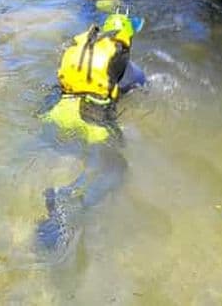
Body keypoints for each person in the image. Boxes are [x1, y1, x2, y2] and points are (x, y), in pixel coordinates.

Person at [37, 13, 146, 252]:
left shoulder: (82, 51)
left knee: (65, 152)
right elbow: (137, 86)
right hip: (92, 121)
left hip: (56, 112)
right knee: (117, 168)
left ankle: (57, 194)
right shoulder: (126, 63)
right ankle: (69, 199)